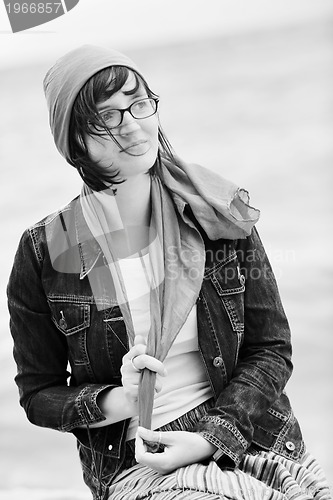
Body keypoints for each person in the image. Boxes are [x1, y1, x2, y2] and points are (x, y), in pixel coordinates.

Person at [7, 44, 330, 500]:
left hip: (249, 437)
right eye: (109, 115)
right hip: (138, 462)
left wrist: (210, 437)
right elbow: (38, 395)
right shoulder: (51, 247)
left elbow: (272, 348)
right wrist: (121, 396)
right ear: (75, 139)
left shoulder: (213, 212)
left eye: (139, 104)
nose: (134, 125)